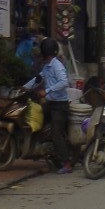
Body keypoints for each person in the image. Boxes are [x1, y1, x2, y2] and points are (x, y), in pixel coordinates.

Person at [35, 37, 74, 173]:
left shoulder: (57, 65)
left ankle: (67, 163)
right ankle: (45, 152)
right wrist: (24, 87)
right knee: (36, 120)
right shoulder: (46, 66)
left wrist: (46, 91)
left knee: (56, 134)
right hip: (50, 103)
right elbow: (38, 79)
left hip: (59, 105)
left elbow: (64, 82)